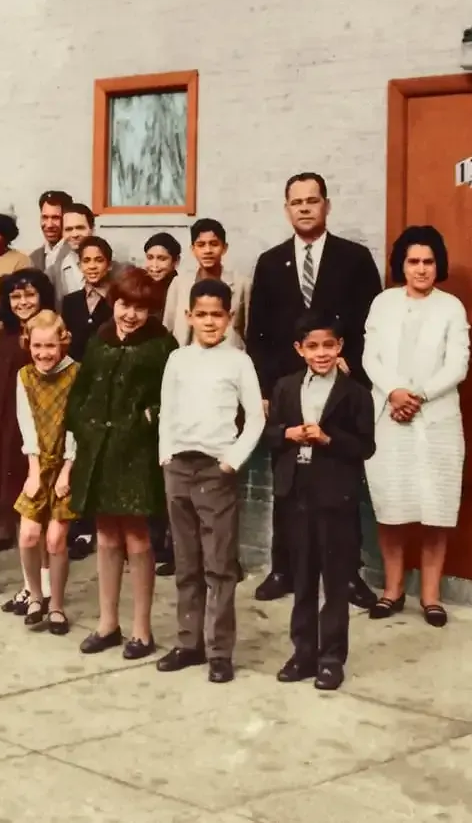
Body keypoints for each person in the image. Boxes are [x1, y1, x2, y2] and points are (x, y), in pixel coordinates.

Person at [247, 173, 383, 608]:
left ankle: (347, 575)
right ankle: (283, 567)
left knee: (341, 483)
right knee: (286, 482)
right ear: (287, 208)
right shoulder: (270, 262)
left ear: (326, 205)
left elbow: (370, 326)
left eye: (312, 201)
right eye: (296, 202)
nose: (304, 208)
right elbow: (260, 334)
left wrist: (353, 371)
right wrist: (266, 390)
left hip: (337, 389)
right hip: (289, 391)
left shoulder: (354, 258)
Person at [154, 280, 266, 684]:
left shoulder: (239, 361)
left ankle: (219, 650)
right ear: (188, 317)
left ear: (229, 317)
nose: (209, 322)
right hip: (179, 468)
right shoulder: (178, 359)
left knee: (218, 565)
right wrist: (166, 454)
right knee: (186, 562)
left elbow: (255, 416)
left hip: (215, 471)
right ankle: (188, 642)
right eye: (201, 314)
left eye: (216, 315)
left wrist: (232, 461)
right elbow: (167, 409)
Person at [66, 267, 178, 660]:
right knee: (106, 535)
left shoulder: (162, 344)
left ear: (152, 310)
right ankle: (107, 623)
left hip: (137, 453)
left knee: (137, 537)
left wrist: (147, 420)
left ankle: (142, 630)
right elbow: (80, 391)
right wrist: (84, 425)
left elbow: (172, 397)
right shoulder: (99, 340)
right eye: (124, 304)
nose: (130, 314)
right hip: (99, 451)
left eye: (140, 307)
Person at [363, 225, 470, 628]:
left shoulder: (451, 308)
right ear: (401, 265)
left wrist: (419, 395)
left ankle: (431, 595)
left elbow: (457, 365)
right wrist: (394, 392)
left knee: (434, 508)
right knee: (392, 507)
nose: (421, 269)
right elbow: (370, 357)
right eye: (413, 262)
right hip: (389, 416)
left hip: (435, 420)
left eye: (428, 261)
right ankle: (392, 590)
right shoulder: (383, 304)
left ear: (437, 264)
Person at [266, 312, 376, 691]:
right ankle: (303, 654)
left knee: (335, 579)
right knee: (302, 577)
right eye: (313, 346)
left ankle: (331, 658)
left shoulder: (355, 393)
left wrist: (329, 439)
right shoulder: (285, 387)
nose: (322, 353)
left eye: (329, 345)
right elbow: (269, 434)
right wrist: (289, 433)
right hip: (296, 491)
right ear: (299, 349)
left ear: (340, 347)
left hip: (335, 494)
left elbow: (366, 446)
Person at [0, 268, 54, 569]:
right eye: (15, 296)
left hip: (36, 432)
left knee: (38, 512)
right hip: (5, 430)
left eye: (29, 295)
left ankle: (44, 584)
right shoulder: (3, 339)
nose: (22, 302)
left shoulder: (48, 336)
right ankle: (29, 584)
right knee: (17, 508)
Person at [13, 310, 80, 634]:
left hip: (66, 463)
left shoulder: (75, 374)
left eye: (50, 346)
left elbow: (75, 426)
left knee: (55, 540)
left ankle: (57, 605)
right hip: (38, 463)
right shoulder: (25, 376)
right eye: (37, 346)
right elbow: (27, 425)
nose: (43, 353)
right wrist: (34, 471)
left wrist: (66, 471)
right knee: (28, 534)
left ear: (63, 343)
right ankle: (35, 597)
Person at [163, 219, 251, 349]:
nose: (208, 250)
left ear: (224, 248)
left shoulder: (241, 284)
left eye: (214, 244)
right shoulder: (180, 284)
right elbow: (167, 329)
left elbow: (248, 331)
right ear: (193, 249)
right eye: (201, 245)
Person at [61, 236, 114, 363]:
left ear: (109, 265)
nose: (92, 266)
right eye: (86, 260)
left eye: (99, 260)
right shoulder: (70, 301)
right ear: (79, 265)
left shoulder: (117, 300)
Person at [49, 203, 96, 300]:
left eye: (80, 228)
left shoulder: (114, 269)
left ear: (92, 229)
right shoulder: (53, 273)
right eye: (68, 229)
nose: (74, 234)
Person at [28, 190, 72, 273]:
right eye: (45, 217)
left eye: (55, 218)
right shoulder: (34, 257)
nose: (49, 225)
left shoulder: (76, 253)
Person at [142, 232, 181, 323]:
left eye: (162, 259)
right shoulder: (139, 286)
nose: (154, 265)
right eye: (150, 258)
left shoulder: (181, 289)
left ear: (176, 261)